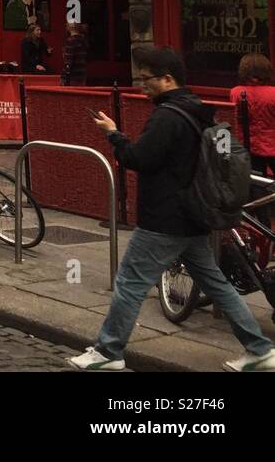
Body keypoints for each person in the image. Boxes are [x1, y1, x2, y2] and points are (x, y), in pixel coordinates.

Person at [70, 46, 275, 372]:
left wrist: (113, 135)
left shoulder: (167, 117)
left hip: (164, 218)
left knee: (130, 283)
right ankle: (260, 348)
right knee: (217, 284)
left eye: (148, 79)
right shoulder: (198, 110)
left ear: (167, 79)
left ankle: (108, 351)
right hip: (193, 215)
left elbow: (138, 158)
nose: (142, 85)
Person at [232, 52, 275, 186]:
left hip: (248, 146)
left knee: (257, 184)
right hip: (272, 146)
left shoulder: (236, 92)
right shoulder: (273, 93)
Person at [62, 22, 89, 86]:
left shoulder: (71, 41)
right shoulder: (84, 40)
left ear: (69, 27)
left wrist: (63, 76)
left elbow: (68, 61)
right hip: (82, 73)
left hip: (73, 75)